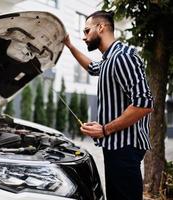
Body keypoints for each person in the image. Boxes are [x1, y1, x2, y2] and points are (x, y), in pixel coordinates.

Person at [63, 11, 153, 200]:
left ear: (101, 27)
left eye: (87, 31)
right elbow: (91, 67)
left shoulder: (122, 57)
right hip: (116, 148)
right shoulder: (108, 60)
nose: (84, 36)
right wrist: (69, 45)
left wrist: (104, 129)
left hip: (125, 149)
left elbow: (144, 104)